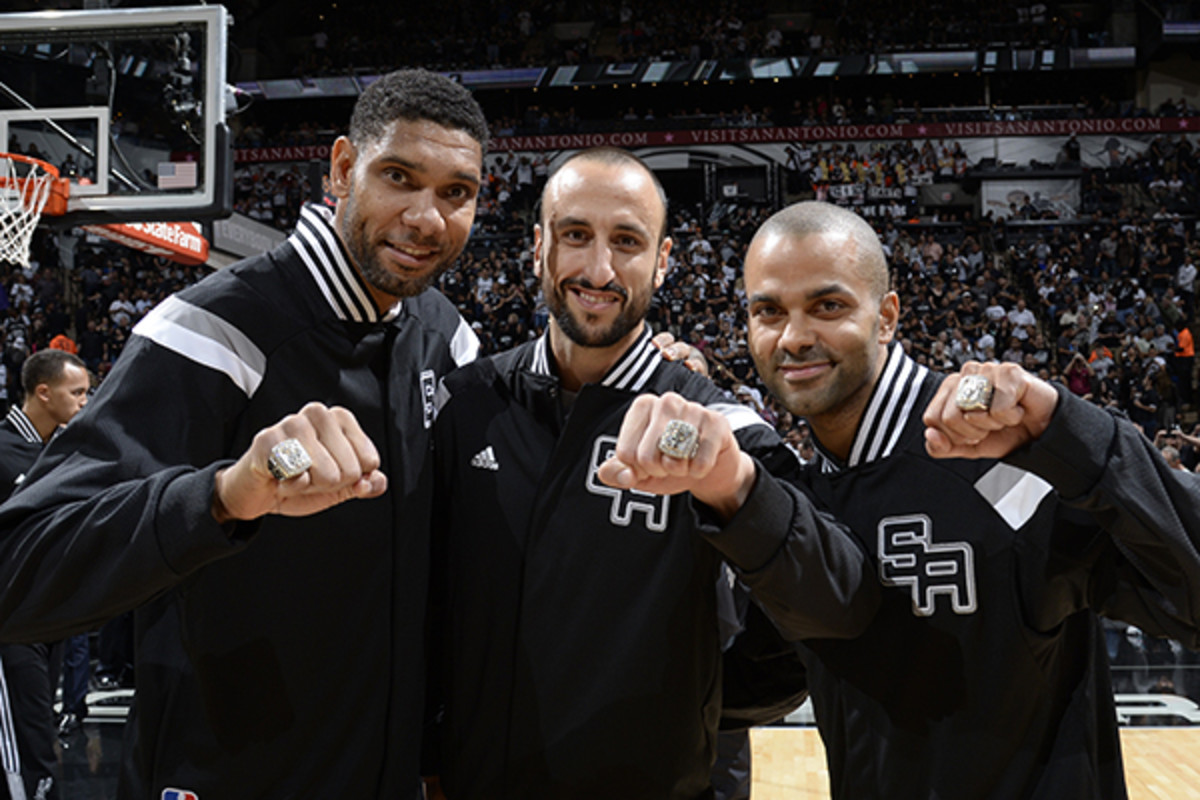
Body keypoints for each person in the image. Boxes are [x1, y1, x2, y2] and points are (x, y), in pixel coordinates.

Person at [600, 200, 1200, 799]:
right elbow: (776, 671)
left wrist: (1074, 434)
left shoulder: (997, 451)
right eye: (769, 311)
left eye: (827, 306)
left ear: (886, 317)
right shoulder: (803, 490)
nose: (795, 336)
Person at [0, 69, 488, 799]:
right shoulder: (211, 332)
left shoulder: (445, 337)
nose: (427, 217)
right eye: (399, 177)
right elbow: (20, 571)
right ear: (343, 169)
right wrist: (222, 497)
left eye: (456, 193)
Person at [429, 150, 871, 799]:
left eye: (627, 242)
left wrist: (734, 491)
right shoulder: (462, 405)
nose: (599, 269)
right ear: (538, 247)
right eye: (576, 235)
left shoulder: (724, 431)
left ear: (662, 262)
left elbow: (834, 607)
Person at [0, 350, 89, 800]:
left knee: (39, 728)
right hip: (10, 618)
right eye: (77, 393)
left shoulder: (62, 451)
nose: (84, 402)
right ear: (43, 392)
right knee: (28, 737)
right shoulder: (1, 449)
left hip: (52, 611)